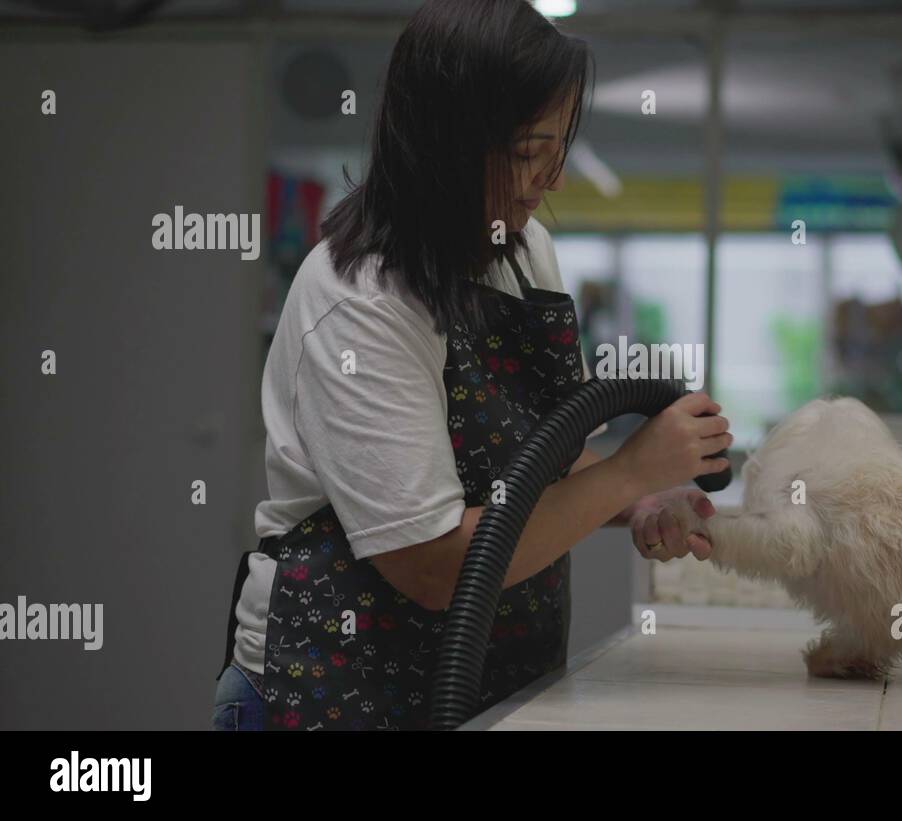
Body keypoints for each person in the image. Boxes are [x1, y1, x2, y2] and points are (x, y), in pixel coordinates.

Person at [212, 0, 730, 731]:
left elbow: (553, 452)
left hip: (499, 682)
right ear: (446, 142)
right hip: (335, 687)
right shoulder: (361, 297)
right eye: (526, 153)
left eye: (558, 152)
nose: (546, 182)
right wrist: (632, 470)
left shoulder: (525, 252)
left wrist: (638, 502)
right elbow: (432, 564)